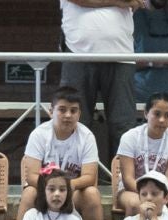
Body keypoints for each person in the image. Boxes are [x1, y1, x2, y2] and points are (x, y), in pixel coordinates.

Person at [59, 0, 141, 162]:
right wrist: (118, 2)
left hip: (121, 56)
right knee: (73, 121)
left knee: (123, 124)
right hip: (78, 54)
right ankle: (70, 181)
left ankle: (123, 183)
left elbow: (144, 3)